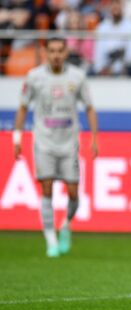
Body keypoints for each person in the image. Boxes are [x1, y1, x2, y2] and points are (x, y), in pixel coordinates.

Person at [13, 37, 99, 258]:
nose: (56, 55)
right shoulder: (34, 77)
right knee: (47, 188)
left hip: (69, 142)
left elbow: (89, 108)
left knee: (73, 192)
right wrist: (17, 138)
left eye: (60, 50)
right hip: (44, 141)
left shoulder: (77, 77)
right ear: (46, 53)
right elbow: (23, 107)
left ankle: (66, 223)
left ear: (66, 52)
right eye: (52, 51)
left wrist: (94, 138)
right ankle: (50, 238)